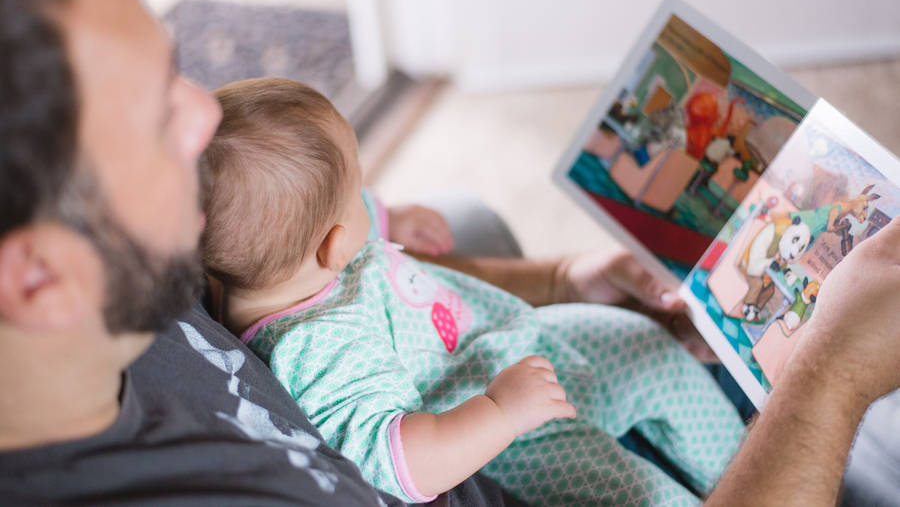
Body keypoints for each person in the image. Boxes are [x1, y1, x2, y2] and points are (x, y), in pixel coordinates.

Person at [1, 0, 898, 505]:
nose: (204, 114)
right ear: (37, 277)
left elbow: (357, 270)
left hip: (511, 355)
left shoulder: (151, 251)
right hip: (531, 445)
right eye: (156, 115)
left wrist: (554, 278)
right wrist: (831, 379)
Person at [200, 76, 745, 505]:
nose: (366, 196)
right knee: (641, 496)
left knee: (649, 347)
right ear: (334, 248)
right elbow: (396, 462)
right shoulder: (317, 349)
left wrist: (388, 217)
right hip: (515, 437)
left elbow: (327, 217)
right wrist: (500, 412)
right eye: (358, 189)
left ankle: (746, 468)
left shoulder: (280, 263)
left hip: (507, 339)